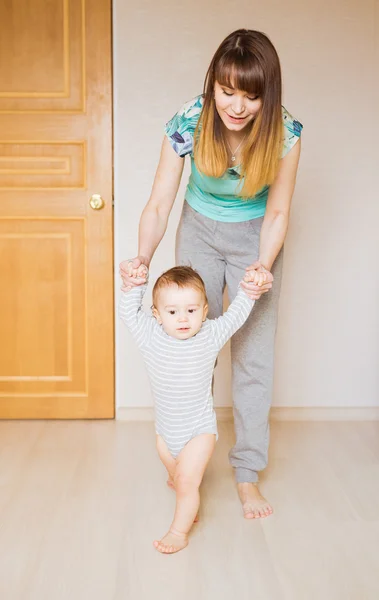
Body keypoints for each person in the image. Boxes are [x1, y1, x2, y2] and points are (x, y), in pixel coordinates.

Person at [120, 28, 303, 519]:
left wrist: (262, 266)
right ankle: (185, 459)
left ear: (269, 95)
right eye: (227, 92)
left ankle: (246, 475)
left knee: (253, 358)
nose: (237, 107)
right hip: (199, 229)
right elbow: (160, 202)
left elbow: (279, 213)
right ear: (213, 85)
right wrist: (142, 256)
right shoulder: (189, 120)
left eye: (250, 96)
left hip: (257, 235)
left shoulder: (285, 131)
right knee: (187, 342)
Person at [119, 265, 262, 553]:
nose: (183, 318)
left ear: (205, 310)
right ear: (157, 315)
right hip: (165, 432)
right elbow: (128, 313)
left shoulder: (209, 334)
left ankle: (178, 531)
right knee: (178, 479)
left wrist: (248, 291)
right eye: (172, 312)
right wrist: (134, 286)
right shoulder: (150, 335)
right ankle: (186, 495)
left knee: (186, 481)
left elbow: (235, 316)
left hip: (199, 430)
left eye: (192, 311)